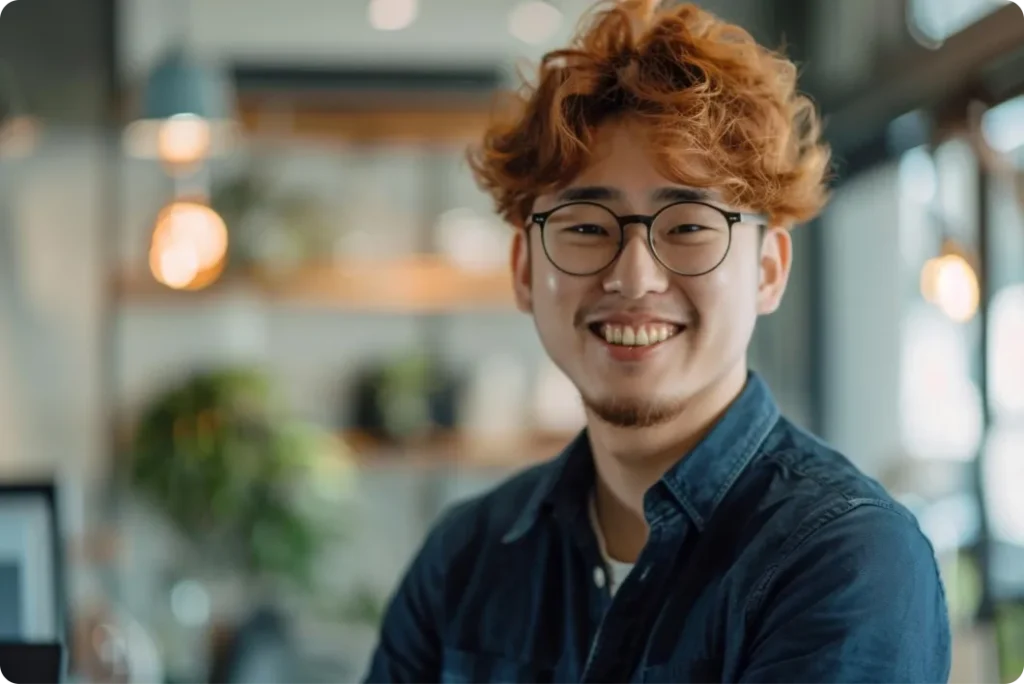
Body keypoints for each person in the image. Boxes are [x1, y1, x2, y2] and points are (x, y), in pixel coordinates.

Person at [364, 1, 951, 682]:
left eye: (689, 227)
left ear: (767, 270)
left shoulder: (843, 556)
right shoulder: (463, 560)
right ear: (525, 270)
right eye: (586, 226)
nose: (634, 276)